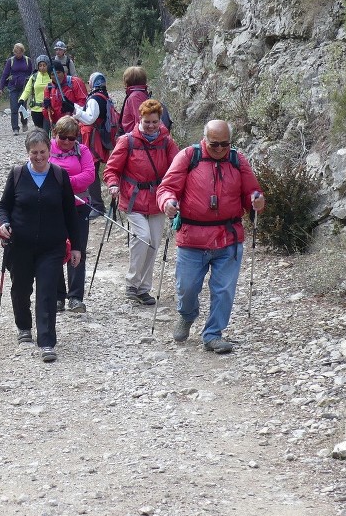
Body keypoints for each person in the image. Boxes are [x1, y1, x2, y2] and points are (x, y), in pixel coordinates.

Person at [156, 120, 265, 354]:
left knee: (224, 289)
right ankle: (187, 314)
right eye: (214, 144)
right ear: (204, 139)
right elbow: (166, 188)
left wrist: (257, 199)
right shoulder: (188, 157)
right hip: (192, 238)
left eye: (225, 144)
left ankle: (213, 334)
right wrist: (167, 202)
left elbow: (252, 192)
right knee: (186, 288)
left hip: (228, 237)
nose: (219, 149)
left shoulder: (238, 160)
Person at [0, 128, 83, 363]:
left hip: (51, 247)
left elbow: (70, 213)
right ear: (28, 152)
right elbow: (3, 206)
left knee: (46, 292)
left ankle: (47, 342)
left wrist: (76, 246)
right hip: (20, 245)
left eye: (43, 151)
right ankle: (24, 326)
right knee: (21, 289)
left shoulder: (59, 176)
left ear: (49, 151)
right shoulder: (17, 174)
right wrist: (4, 223)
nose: (39, 157)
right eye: (34, 152)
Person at [103, 99, 179, 305]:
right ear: (140, 119)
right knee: (143, 237)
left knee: (154, 243)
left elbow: (178, 167)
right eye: (147, 122)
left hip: (157, 200)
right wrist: (112, 185)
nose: (151, 126)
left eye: (155, 122)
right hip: (132, 198)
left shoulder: (167, 142)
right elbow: (111, 169)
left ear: (160, 121)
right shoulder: (128, 141)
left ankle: (144, 289)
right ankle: (132, 283)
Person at [49, 117, 96, 313]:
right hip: (53, 207)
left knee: (78, 249)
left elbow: (90, 175)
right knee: (56, 249)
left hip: (78, 206)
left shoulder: (82, 151)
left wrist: (64, 182)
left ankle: (75, 297)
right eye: (63, 137)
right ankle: (58, 296)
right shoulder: (46, 149)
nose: (68, 142)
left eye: (72, 138)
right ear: (55, 134)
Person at [81, 72, 121, 214]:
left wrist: (75, 111)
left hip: (93, 139)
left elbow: (90, 118)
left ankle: (97, 205)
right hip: (98, 137)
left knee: (90, 170)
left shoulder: (95, 99)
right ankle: (95, 203)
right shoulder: (105, 97)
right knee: (92, 169)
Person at [42, 60, 88, 130]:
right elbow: (49, 116)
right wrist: (46, 108)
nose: (56, 76)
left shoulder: (75, 82)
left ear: (63, 72)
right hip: (60, 127)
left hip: (76, 125)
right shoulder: (48, 89)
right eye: (53, 74)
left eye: (58, 72)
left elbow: (85, 104)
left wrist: (71, 108)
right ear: (50, 76)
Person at [0, 43, 33, 135]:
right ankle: (15, 128)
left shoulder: (27, 60)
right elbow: (5, 74)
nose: (18, 54)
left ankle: (24, 122)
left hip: (24, 87)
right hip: (13, 86)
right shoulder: (11, 61)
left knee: (22, 106)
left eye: (19, 52)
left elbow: (32, 73)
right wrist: (0, 88)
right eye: (16, 52)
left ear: (22, 51)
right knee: (14, 108)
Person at [19, 55, 52, 130]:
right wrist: (22, 99)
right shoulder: (34, 77)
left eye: (44, 65)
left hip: (49, 108)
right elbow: (27, 90)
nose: (42, 67)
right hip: (36, 109)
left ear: (48, 65)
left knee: (46, 130)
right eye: (40, 65)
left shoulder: (52, 76)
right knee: (39, 131)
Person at [119, 65, 150, 134]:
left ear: (127, 81)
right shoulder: (142, 93)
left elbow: (140, 121)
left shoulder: (135, 97)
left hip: (134, 138)